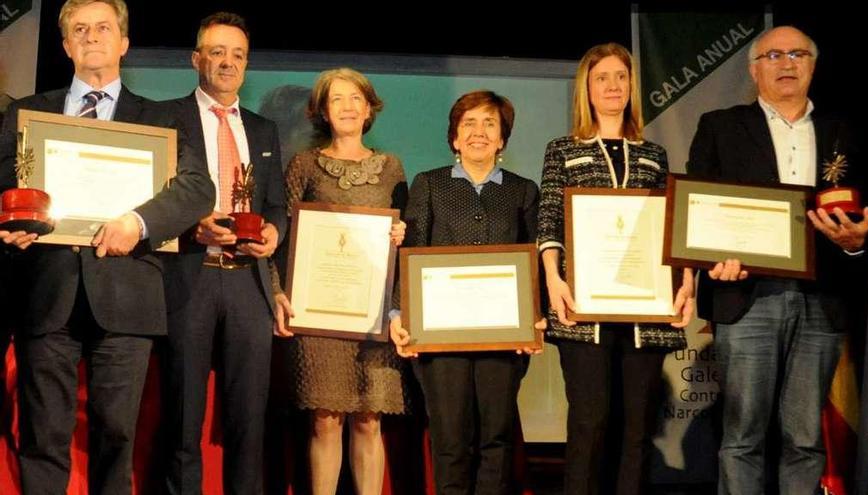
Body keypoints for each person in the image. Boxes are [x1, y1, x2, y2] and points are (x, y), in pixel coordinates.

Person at [0, 1, 214, 492]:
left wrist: (138, 222)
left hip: (126, 296)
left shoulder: (161, 119)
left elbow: (199, 189)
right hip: (45, 291)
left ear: (123, 43)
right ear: (66, 45)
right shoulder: (29, 113)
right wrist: (8, 222)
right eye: (79, 29)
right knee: (43, 437)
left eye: (103, 27)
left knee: (117, 438)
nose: (91, 36)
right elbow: (2, 186)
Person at [686, 26, 868, 495]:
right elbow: (699, 208)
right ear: (754, 70)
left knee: (805, 438)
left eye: (796, 54)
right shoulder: (720, 125)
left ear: (812, 65)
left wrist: (857, 242)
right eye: (772, 55)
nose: (785, 63)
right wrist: (714, 260)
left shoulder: (845, 131)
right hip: (747, 297)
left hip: (823, 299)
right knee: (742, 437)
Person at [537, 42, 694, 494]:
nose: (612, 86)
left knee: (636, 431)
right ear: (586, 87)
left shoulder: (654, 154)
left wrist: (686, 284)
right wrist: (553, 278)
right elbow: (550, 218)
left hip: (647, 314)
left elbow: (671, 229)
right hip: (584, 313)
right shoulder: (563, 150)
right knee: (589, 423)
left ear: (631, 88)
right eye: (602, 77)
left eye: (621, 77)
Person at [158, 12, 286, 494]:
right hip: (189, 276)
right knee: (184, 418)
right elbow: (153, 196)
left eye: (237, 55)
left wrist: (274, 232)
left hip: (248, 283)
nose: (227, 62)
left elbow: (277, 204)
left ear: (247, 65)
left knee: (248, 422)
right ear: (197, 59)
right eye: (217, 52)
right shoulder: (164, 118)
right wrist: (192, 226)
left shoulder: (264, 129)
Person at [389, 90, 539, 495]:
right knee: (450, 441)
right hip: (441, 338)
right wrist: (398, 315)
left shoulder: (523, 190)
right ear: (454, 137)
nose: (479, 132)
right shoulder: (430, 184)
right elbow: (411, 252)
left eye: (490, 123)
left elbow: (533, 260)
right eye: (469, 123)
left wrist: (535, 320)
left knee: (496, 440)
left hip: (503, 339)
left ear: (503, 138)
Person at [276, 67, 407, 495]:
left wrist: (402, 232)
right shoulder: (304, 165)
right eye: (337, 99)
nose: (348, 106)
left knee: (370, 420)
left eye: (356, 98)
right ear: (323, 112)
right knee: (326, 419)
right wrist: (279, 292)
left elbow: (407, 241)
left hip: (376, 314)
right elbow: (283, 235)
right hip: (319, 315)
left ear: (369, 107)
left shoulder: (391, 168)